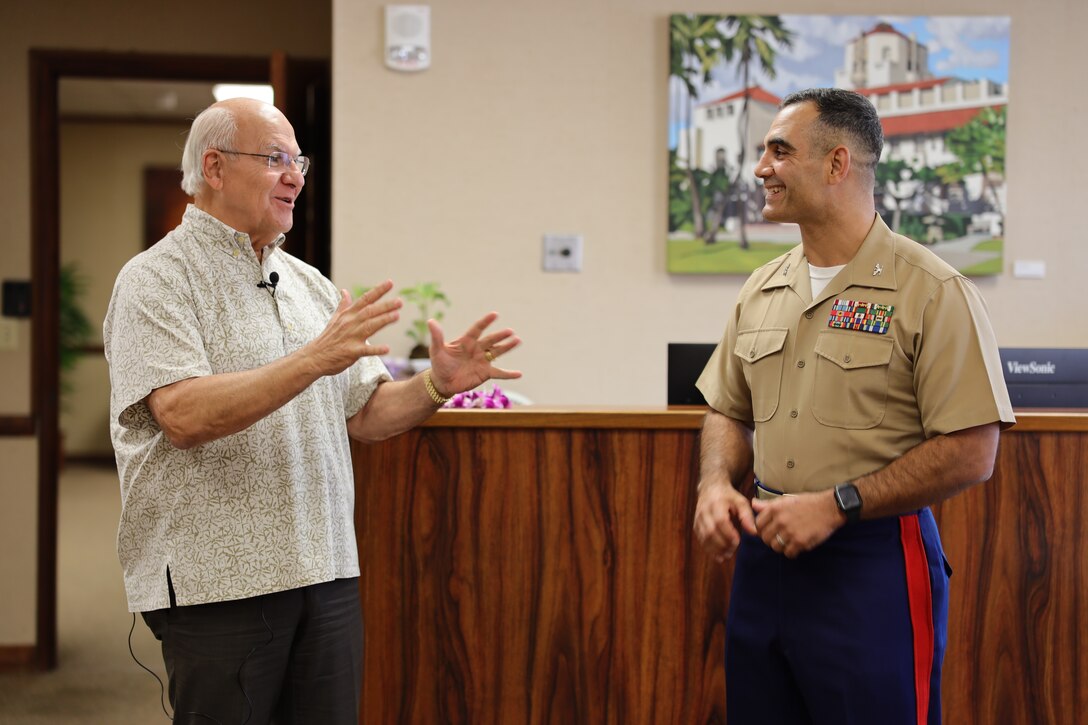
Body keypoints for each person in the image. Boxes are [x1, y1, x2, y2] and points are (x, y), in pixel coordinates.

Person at [103, 97, 521, 724]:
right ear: (214, 168)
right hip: (219, 582)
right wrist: (313, 359)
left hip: (325, 571)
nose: (296, 175)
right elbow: (183, 415)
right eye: (275, 159)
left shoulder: (309, 284)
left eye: (298, 159)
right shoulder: (155, 279)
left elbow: (367, 412)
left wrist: (438, 383)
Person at [692, 87, 1014, 725]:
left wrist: (839, 505)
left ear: (837, 164)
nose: (761, 169)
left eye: (779, 152)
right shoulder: (763, 285)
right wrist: (713, 484)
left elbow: (974, 452)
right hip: (765, 555)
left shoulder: (933, 290)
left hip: (873, 566)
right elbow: (728, 407)